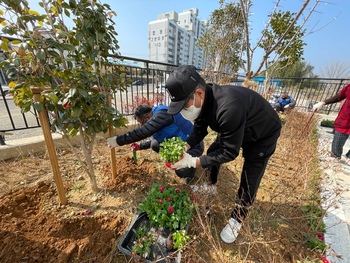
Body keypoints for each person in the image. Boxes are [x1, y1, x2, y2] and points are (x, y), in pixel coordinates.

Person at [164, 65, 282, 244]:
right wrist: (185, 146)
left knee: (249, 178)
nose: (183, 110)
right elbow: (199, 129)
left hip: (262, 133)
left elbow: (229, 152)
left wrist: (194, 162)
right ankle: (211, 185)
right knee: (212, 152)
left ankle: (237, 219)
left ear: (199, 94)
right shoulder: (205, 101)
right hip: (237, 127)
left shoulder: (227, 107)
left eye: (183, 104)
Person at [106, 104, 204, 183]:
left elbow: (143, 132)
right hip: (180, 146)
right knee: (154, 144)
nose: (142, 125)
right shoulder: (156, 117)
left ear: (147, 117)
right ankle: (176, 159)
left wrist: (118, 141)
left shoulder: (162, 115)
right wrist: (140, 146)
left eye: (142, 122)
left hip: (194, 146)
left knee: (181, 171)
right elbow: (156, 138)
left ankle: (190, 172)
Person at [313, 84, 350, 164]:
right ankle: (335, 155)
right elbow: (338, 97)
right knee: (338, 138)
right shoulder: (348, 87)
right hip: (345, 119)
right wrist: (323, 102)